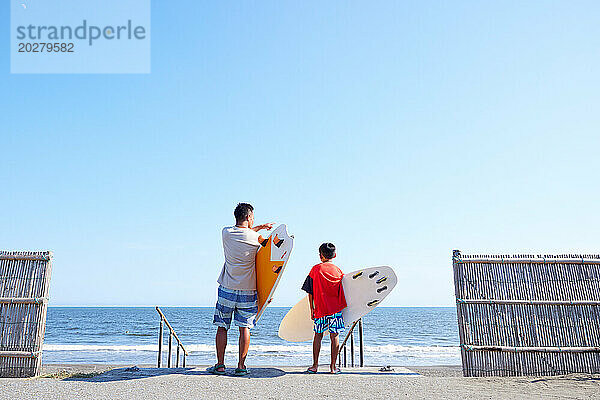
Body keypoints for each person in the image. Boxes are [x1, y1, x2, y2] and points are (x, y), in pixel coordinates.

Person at [207, 203, 273, 376]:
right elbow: (264, 249)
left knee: (222, 327)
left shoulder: (225, 233)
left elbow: (245, 230)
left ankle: (220, 365)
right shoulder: (256, 238)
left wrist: (257, 227)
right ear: (249, 217)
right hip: (248, 290)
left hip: (227, 288)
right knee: (244, 328)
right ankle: (241, 366)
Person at [301, 242, 347, 374]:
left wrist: (312, 309)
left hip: (320, 310)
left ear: (320, 256)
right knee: (335, 336)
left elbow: (309, 291)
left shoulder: (315, 270)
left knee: (318, 336)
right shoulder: (339, 271)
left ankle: (315, 366)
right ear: (335, 255)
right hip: (335, 310)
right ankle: (333, 367)